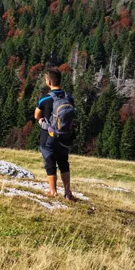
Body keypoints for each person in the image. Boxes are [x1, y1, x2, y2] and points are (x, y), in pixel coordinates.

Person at [34, 68, 76, 200]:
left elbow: (37, 115)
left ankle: (53, 191)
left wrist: (41, 121)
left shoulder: (44, 99)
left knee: (50, 163)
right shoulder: (69, 98)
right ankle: (68, 192)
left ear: (48, 81)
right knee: (64, 163)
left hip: (49, 136)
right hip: (65, 136)